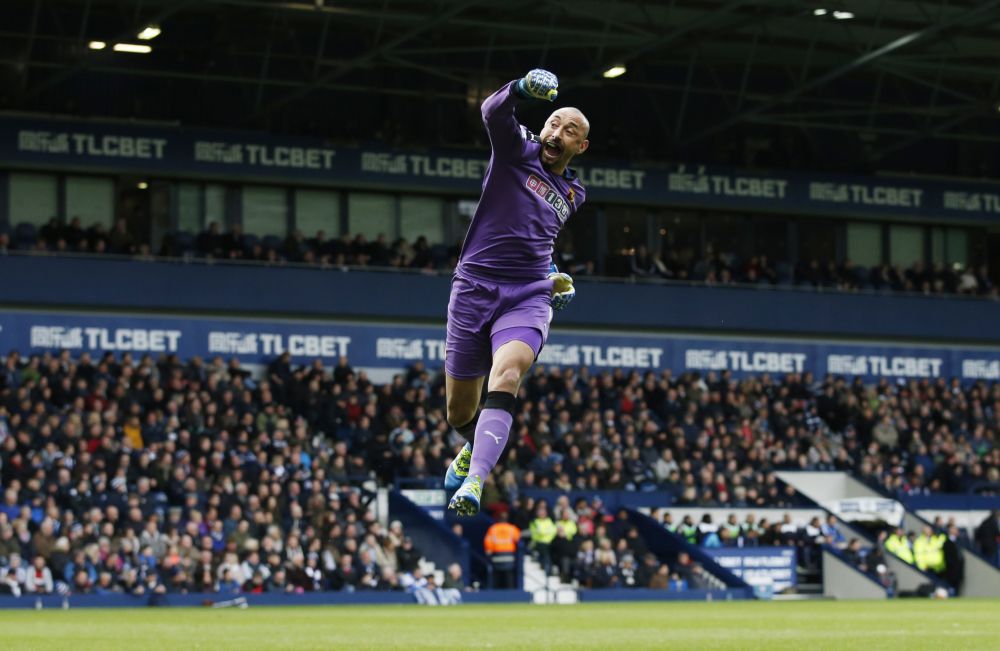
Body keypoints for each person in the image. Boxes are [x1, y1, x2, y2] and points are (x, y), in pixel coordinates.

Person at [445, 68, 590, 515]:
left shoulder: (574, 193)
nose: (557, 131)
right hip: (473, 287)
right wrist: (521, 88)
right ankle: (470, 443)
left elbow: (536, 236)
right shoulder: (515, 152)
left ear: (580, 147)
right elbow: (492, 111)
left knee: (506, 377)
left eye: (570, 130)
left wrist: (553, 275)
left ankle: (474, 482)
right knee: (457, 411)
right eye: (553, 122)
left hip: (527, 293)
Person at [483, 511, 520, 589]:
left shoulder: (493, 529)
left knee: (496, 580)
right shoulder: (512, 528)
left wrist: (488, 554)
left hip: (496, 558)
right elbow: (519, 540)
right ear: (507, 519)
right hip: (509, 559)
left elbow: (488, 544)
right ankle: (511, 595)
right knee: (509, 580)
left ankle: (496, 596)